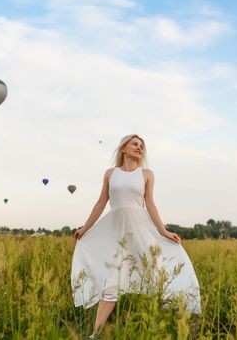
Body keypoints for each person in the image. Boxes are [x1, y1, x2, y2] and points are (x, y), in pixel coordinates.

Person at [70, 134, 201, 337]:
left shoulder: (146, 174)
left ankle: (165, 327)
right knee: (110, 286)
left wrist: (163, 231)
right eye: (135, 144)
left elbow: (150, 204)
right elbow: (101, 202)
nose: (139, 148)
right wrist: (85, 228)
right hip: (116, 236)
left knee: (156, 277)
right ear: (123, 148)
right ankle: (94, 335)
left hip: (141, 232)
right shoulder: (110, 173)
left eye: (141, 146)